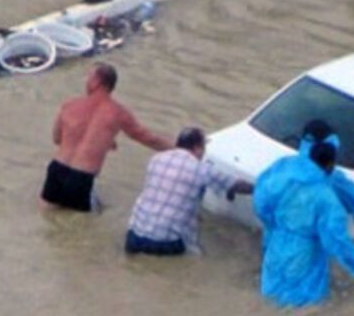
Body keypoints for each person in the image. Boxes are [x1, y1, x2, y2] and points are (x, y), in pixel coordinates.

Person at [254, 131, 354, 307]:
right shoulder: (326, 199)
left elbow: (261, 202)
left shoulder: (285, 176)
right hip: (304, 256)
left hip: (275, 248)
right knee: (303, 308)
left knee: (269, 300)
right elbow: (338, 241)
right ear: (331, 165)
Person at [41, 63, 173, 212]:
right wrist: (179, 148)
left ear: (97, 81)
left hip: (56, 170)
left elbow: (57, 139)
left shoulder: (69, 105)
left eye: (88, 77)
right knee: (88, 224)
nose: (86, 80)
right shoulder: (118, 113)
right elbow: (149, 138)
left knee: (49, 215)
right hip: (81, 177)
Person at [125, 127, 254, 256]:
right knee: (199, 256)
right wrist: (261, 187)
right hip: (166, 241)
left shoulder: (156, 159)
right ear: (198, 147)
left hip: (133, 235)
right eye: (204, 147)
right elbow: (236, 185)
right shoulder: (202, 169)